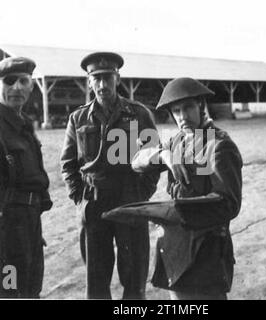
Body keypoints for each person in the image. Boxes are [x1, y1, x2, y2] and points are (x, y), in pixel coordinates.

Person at [131, 77, 243, 300]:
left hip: (206, 250)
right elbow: (136, 162)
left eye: (188, 107)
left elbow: (229, 204)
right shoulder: (176, 144)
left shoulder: (219, 145)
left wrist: (178, 211)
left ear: (201, 106)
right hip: (177, 249)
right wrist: (163, 155)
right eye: (176, 110)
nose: (182, 116)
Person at [60, 52, 159, 299]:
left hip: (130, 200)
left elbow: (154, 158)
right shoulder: (78, 118)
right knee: (96, 279)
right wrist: (79, 197)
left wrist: (141, 192)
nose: (102, 85)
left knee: (135, 277)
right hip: (94, 204)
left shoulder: (139, 114)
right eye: (97, 78)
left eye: (108, 77)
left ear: (117, 78)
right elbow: (68, 163)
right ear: (89, 81)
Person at [0, 57, 52, 298]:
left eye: (23, 81)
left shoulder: (24, 125)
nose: (17, 88)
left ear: (32, 87)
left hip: (29, 221)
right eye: (9, 81)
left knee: (31, 287)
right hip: (6, 226)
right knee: (9, 290)